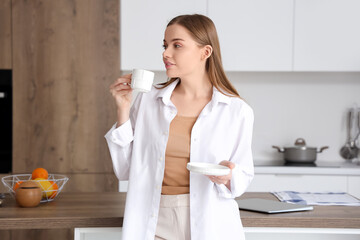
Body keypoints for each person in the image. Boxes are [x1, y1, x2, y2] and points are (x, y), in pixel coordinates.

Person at [105, 14, 254, 240]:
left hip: (211, 223)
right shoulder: (148, 101)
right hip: (153, 220)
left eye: (177, 45)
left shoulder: (236, 110)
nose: (166, 53)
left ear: (205, 52)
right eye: (165, 45)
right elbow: (125, 170)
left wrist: (228, 175)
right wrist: (123, 109)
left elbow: (242, 177)